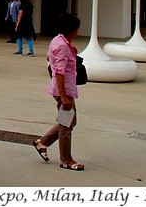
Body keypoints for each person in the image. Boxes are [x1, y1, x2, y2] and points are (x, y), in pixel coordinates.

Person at [33, 12, 84, 171]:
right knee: (66, 126)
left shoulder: (58, 41)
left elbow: (49, 58)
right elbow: (60, 72)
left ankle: (43, 142)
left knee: (69, 121)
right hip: (64, 90)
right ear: (73, 30)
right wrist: (64, 97)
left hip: (63, 88)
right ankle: (66, 160)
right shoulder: (62, 45)